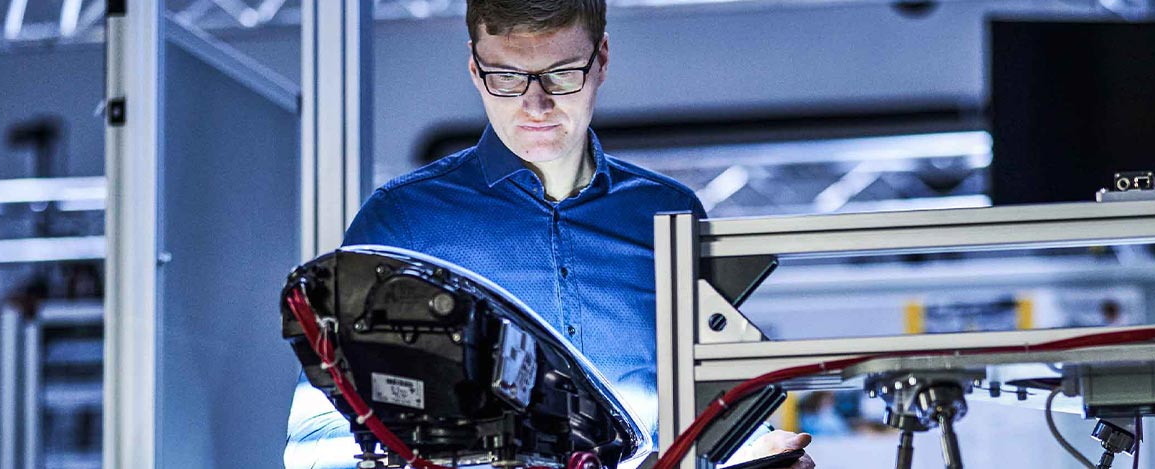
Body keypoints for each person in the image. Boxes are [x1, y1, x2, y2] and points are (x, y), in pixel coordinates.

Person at [283, 1, 815, 468]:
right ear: (474, 67)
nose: (535, 106)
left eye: (561, 75)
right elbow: (317, 435)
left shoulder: (669, 214)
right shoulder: (402, 220)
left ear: (601, 59)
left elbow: (717, 408)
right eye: (507, 77)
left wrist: (758, 450)